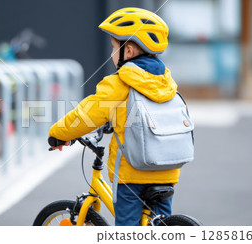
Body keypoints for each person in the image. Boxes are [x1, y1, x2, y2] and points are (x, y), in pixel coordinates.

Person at [48, 8, 179, 226]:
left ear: (128, 51)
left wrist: (58, 134)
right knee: (160, 226)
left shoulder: (120, 82)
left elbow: (88, 113)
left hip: (132, 175)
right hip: (168, 170)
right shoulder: (166, 81)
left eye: (114, 47)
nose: (111, 54)